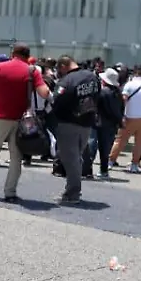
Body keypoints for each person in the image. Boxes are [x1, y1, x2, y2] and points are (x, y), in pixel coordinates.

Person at [0, 43, 50, 201]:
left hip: (1, 116)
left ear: (13, 53)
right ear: (28, 55)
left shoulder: (0, 67)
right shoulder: (32, 71)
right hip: (22, 119)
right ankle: (10, 191)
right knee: (16, 156)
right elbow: (44, 93)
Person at [50, 55, 101, 204]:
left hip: (68, 123)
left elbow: (56, 100)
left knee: (70, 159)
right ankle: (72, 190)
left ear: (64, 66)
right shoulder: (92, 77)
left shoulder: (67, 81)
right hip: (86, 123)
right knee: (76, 157)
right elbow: (98, 95)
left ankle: (72, 193)